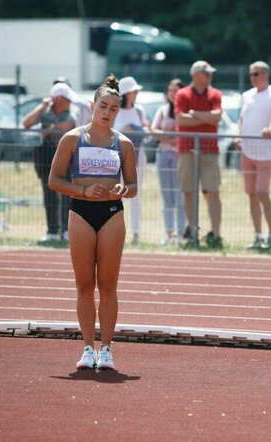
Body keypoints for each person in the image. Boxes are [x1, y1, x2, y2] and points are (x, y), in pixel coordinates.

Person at [48, 75, 137, 370]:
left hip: (111, 214)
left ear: (118, 111)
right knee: (84, 285)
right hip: (81, 213)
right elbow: (55, 180)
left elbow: (133, 185)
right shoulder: (72, 138)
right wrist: (83, 190)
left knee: (108, 285)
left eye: (113, 108)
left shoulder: (123, 144)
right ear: (92, 105)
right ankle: (88, 347)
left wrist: (125, 189)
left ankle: (107, 349)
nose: (107, 112)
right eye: (103, 105)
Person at [235, 61, 271, 251]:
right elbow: (241, 119)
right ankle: (257, 236)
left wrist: (270, 130)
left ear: (265, 75)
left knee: (263, 193)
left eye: (256, 74)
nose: (253, 78)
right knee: (252, 195)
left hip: (265, 152)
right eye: (251, 74)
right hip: (247, 151)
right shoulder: (246, 96)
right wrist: (238, 137)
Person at [175, 60, 223, 248]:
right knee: (188, 192)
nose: (210, 75)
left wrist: (194, 114)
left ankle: (216, 234)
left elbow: (217, 118)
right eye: (206, 72)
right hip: (187, 149)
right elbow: (181, 120)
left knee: (213, 192)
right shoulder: (182, 94)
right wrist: (206, 117)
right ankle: (193, 231)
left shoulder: (215, 93)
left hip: (210, 150)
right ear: (195, 75)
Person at [22, 82, 76, 242]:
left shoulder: (71, 112)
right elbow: (26, 123)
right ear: (58, 99)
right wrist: (41, 107)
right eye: (66, 99)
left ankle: (66, 230)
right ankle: (52, 230)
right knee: (49, 193)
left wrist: (49, 129)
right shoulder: (43, 112)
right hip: (45, 156)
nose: (69, 102)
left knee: (68, 194)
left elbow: (69, 125)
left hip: (67, 156)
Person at [150, 78, 186, 244]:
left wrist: (170, 139)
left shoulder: (185, 110)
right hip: (163, 155)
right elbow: (154, 131)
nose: (172, 93)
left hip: (180, 156)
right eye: (170, 90)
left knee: (180, 195)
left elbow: (185, 134)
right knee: (167, 195)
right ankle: (169, 232)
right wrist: (170, 138)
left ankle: (180, 233)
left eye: (176, 90)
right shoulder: (163, 110)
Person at [113, 76, 148, 244]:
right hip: (118, 158)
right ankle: (116, 231)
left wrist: (139, 129)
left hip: (138, 157)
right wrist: (123, 130)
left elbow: (146, 129)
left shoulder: (139, 110)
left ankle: (136, 233)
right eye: (134, 91)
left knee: (135, 195)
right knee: (117, 194)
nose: (136, 94)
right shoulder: (115, 110)